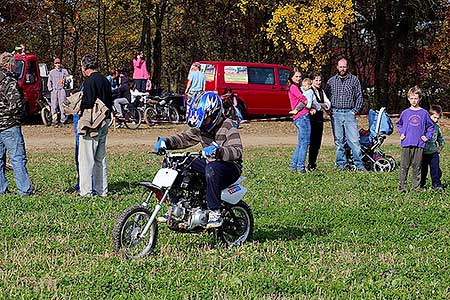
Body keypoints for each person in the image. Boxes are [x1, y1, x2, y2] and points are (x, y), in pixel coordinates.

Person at [153, 92, 242, 228]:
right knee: (175, 163)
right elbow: (184, 138)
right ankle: (175, 205)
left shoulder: (228, 125)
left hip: (229, 167)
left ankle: (215, 211)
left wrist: (219, 151)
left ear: (215, 115)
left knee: (212, 168)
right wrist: (166, 142)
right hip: (209, 163)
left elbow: (237, 151)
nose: (203, 124)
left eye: (205, 120)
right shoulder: (202, 128)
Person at [78, 54, 113, 197]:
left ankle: (85, 192)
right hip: (105, 121)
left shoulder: (89, 82)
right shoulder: (105, 80)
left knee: (86, 158)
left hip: (92, 124)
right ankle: (102, 190)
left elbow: (88, 102)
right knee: (100, 158)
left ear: (85, 67)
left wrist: (78, 103)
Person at [0, 52, 32, 196]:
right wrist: (19, 115)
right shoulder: (8, 81)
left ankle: (1, 189)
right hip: (9, 125)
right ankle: (24, 190)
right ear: (10, 65)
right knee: (18, 158)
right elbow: (16, 104)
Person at [325, 57, 365, 171]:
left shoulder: (354, 80)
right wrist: (328, 110)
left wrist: (355, 111)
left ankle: (359, 165)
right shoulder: (331, 81)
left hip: (349, 113)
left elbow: (359, 96)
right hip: (336, 113)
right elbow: (324, 97)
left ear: (347, 67)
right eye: (340, 66)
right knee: (339, 141)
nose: (342, 69)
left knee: (354, 140)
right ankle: (341, 165)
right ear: (337, 67)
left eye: (344, 66)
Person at [396, 86, 434, 193]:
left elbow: (431, 126)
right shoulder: (405, 113)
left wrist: (427, 137)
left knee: (417, 167)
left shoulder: (424, 113)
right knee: (404, 167)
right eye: (412, 98)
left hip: (419, 144)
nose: (414, 101)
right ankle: (401, 188)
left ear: (419, 99)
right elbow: (399, 124)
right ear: (408, 98)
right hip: (406, 143)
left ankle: (416, 188)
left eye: (416, 98)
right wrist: (402, 133)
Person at [287, 70, 311, 173]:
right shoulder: (293, 87)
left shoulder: (296, 87)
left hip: (300, 116)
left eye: (300, 77)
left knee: (301, 143)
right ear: (291, 77)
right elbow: (303, 99)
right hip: (302, 117)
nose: (298, 78)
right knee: (305, 143)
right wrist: (307, 101)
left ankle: (293, 165)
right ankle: (301, 167)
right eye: (296, 76)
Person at [308, 74, 331, 171]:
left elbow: (328, 104)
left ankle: (313, 163)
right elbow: (310, 103)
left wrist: (320, 105)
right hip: (311, 119)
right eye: (316, 80)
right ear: (312, 81)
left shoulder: (321, 91)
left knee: (317, 142)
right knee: (311, 142)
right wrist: (321, 105)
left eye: (320, 80)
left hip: (319, 119)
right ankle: (307, 163)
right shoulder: (309, 91)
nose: (318, 82)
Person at [420, 104, 445, 192]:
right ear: (429, 116)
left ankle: (436, 185)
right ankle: (421, 184)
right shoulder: (423, 126)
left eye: (437, 118)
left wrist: (440, 147)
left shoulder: (437, 128)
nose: (436, 120)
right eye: (434, 117)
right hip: (423, 153)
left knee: (435, 169)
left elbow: (441, 139)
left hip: (433, 153)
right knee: (423, 170)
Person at [47, 58, 69, 126]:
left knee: (62, 105)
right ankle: (54, 120)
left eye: (58, 63)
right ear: (54, 64)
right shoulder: (52, 72)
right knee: (54, 106)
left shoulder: (64, 71)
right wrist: (50, 89)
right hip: (54, 90)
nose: (58, 64)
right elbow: (49, 82)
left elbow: (69, 79)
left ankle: (63, 120)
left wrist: (65, 81)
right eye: (56, 63)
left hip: (62, 90)